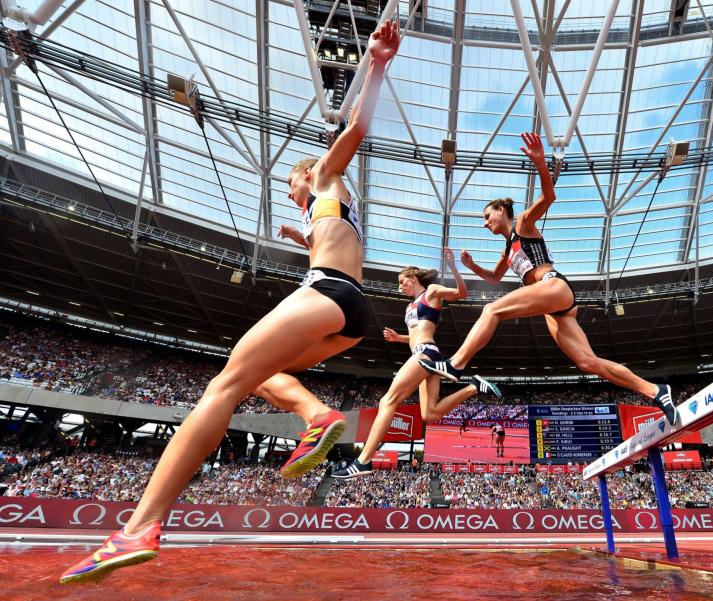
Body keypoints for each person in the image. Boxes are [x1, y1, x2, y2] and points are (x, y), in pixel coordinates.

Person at [58, 21, 402, 584]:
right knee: (263, 377)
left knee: (225, 384)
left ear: (305, 176)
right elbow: (328, 237)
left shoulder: (323, 176)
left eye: (290, 187)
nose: (290, 194)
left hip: (328, 294)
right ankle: (316, 414)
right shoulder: (330, 212)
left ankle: (139, 527)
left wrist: (378, 63)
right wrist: (301, 238)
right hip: (351, 309)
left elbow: (356, 129)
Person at [420, 132, 678, 425]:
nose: (485, 222)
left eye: (487, 215)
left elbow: (549, 196)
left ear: (502, 210)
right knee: (587, 362)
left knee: (492, 310)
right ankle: (656, 390)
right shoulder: (508, 249)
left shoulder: (524, 224)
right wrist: (470, 265)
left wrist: (541, 163)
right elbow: (494, 278)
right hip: (553, 307)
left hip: (553, 286)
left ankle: (456, 365)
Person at [332, 249, 500, 479]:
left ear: (413, 278)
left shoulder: (430, 292)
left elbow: (462, 293)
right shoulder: (410, 306)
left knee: (387, 400)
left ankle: (364, 460)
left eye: (402, 281)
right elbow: (415, 334)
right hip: (425, 356)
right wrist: (398, 338)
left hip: (425, 354)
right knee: (429, 414)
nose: (400, 286)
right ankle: (473, 387)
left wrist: (452, 267)